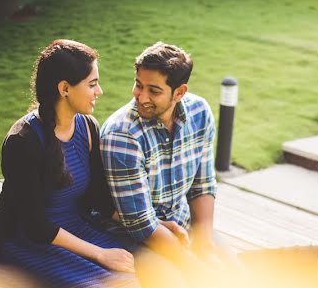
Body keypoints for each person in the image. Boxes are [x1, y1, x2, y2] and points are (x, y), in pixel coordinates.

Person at [0, 39, 142, 288]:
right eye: (92, 84)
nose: (99, 91)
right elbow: (35, 225)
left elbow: (97, 198)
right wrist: (101, 254)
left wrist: (149, 222)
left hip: (76, 228)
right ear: (64, 88)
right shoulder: (23, 140)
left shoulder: (88, 127)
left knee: (139, 285)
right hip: (24, 242)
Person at [100, 41, 234, 269]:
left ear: (179, 92)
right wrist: (194, 266)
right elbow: (140, 223)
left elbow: (202, 186)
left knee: (234, 271)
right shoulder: (123, 135)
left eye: (154, 91)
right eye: (138, 85)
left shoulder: (199, 112)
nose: (141, 97)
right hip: (130, 237)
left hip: (182, 225)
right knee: (184, 285)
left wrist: (203, 242)